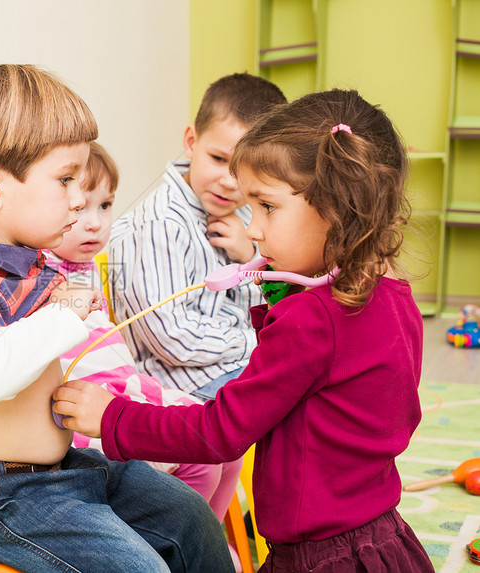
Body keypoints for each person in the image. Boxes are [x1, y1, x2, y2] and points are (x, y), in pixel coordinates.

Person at [54, 89, 435, 572]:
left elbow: (220, 432)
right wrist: (277, 292)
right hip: (381, 539)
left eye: (267, 208)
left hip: (320, 557)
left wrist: (113, 418)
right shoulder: (394, 297)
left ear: (337, 210)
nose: (252, 230)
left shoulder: (313, 320)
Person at [0, 64, 233, 573]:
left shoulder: (25, 264)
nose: (79, 199)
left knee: (191, 519)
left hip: (60, 471)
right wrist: (65, 313)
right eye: (65, 180)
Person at [42, 141, 243, 526]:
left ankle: (207, 542)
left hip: (124, 386)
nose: (96, 223)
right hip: (87, 406)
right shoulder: (42, 268)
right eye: (79, 207)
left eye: (105, 206)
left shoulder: (84, 266)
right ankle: (181, 543)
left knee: (226, 442)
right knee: (201, 460)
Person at [109, 73, 286, 401]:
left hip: (236, 361)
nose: (230, 182)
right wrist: (257, 340)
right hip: (181, 380)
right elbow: (171, 338)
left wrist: (250, 259)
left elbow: (269, 304)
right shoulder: (160, 224)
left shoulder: (247, 214)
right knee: (287, 403)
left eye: (246, 169)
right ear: (191, 141)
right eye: (219, 160)